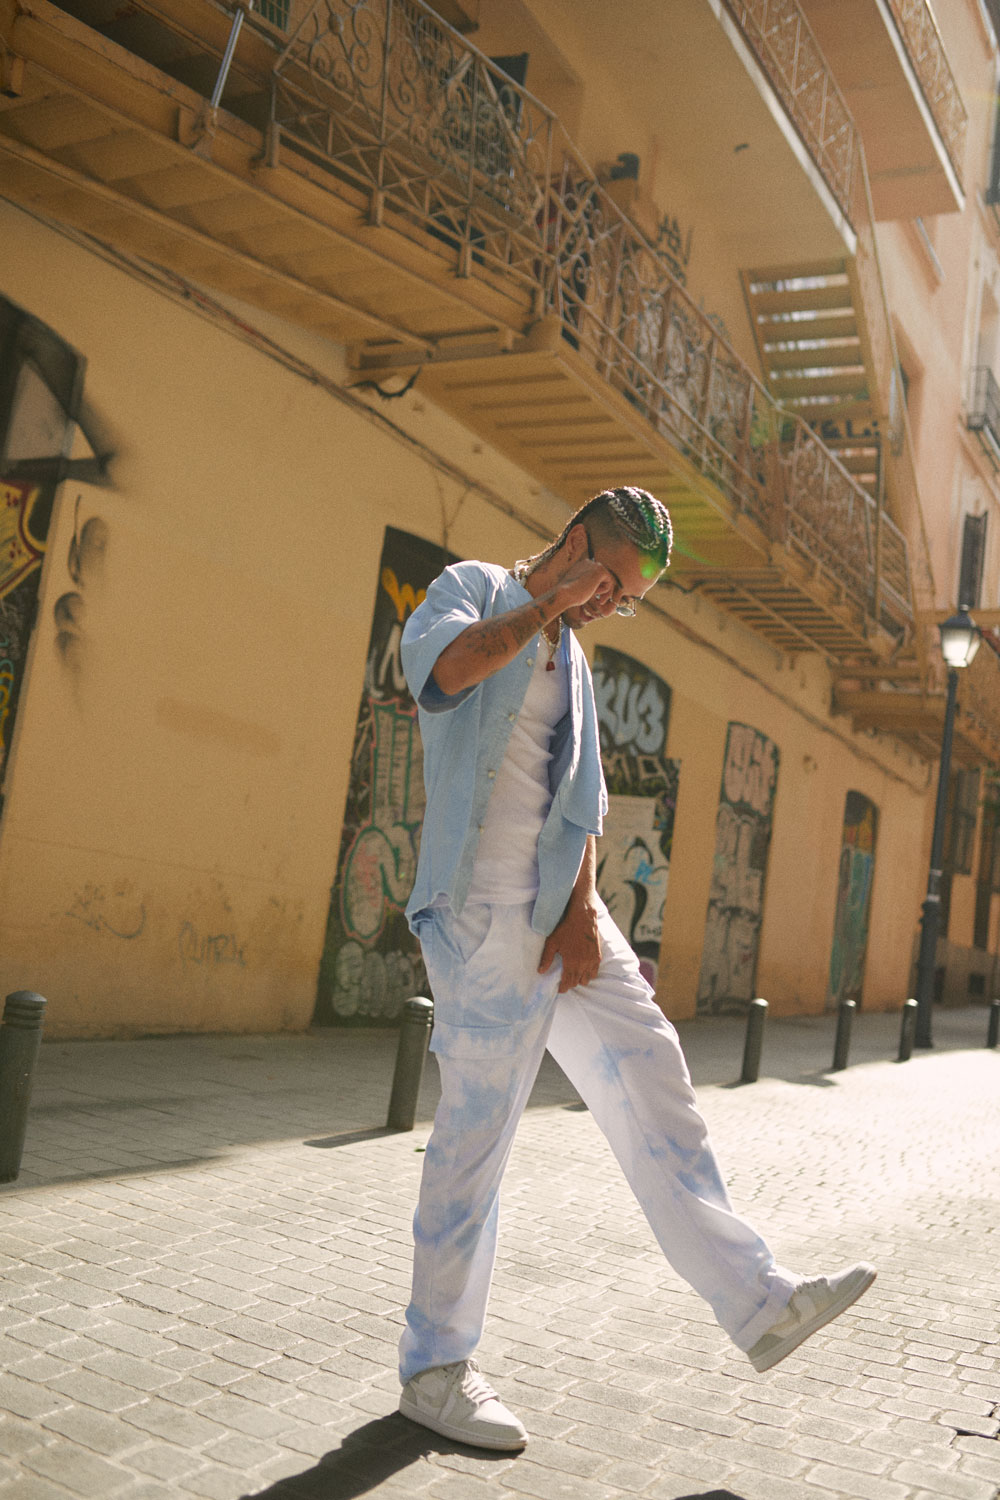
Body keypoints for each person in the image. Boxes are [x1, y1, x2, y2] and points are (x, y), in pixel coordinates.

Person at [396, 486, 875, 1451]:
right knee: (476, 1141)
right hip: (480, 913)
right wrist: (550, 603)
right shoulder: (473, 589)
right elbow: (445, 673)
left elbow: (582, 801)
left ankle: (761, 1303)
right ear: (576, 543)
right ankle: (435, 1369)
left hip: (560, 911)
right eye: (610, 582)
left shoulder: (573, 661)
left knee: (653, 1069)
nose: (614, 604)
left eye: (630, 597)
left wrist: (581, 914)